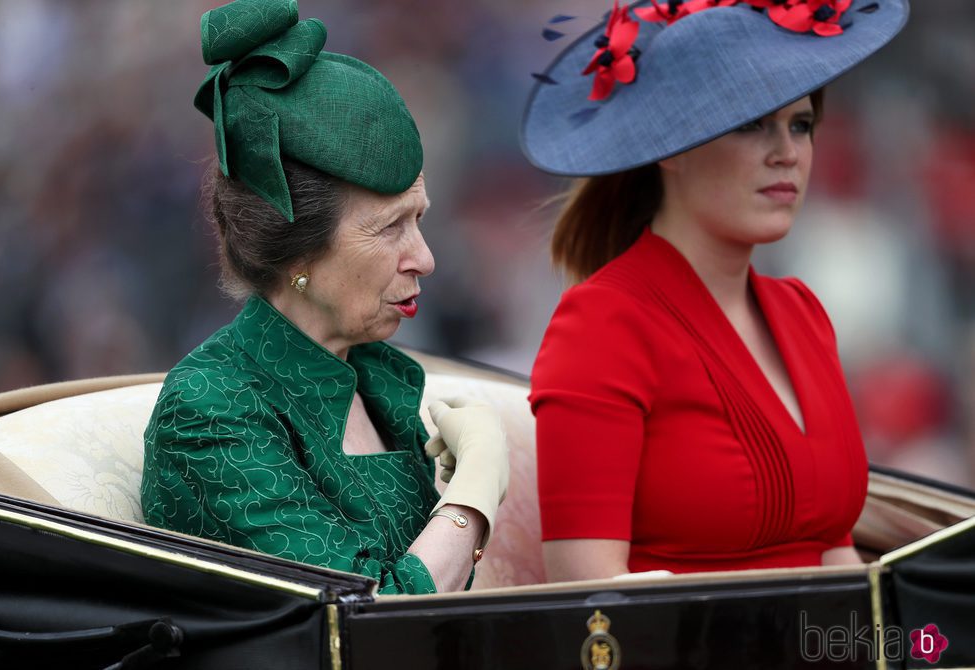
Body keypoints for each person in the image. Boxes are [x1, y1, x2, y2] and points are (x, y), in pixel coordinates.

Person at [520, 0, 909, 580]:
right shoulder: (603, 323)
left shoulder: (802, 312)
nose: (788, 154)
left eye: (800, 125)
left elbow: (835, 554)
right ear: (672, 145)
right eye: (751, 122)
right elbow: (588, 598)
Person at [140, 0, 508, 595]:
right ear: (298, 251)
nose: (426, 258)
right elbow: (365, 623)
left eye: (420, 220)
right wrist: (473, 496)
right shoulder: (212, 408)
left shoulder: (375, 378)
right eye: (391, 228)